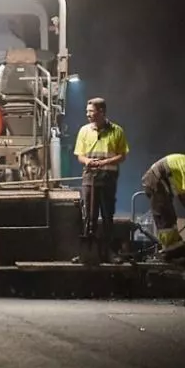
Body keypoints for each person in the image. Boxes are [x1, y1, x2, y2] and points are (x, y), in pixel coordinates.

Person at [72, 97, 130, 262]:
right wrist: (88, 161)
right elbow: (79, 155)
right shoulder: (84, 131)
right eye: (87, 111)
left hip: (108, 179)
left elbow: (122, 155)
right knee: (89, 216)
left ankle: (109, 252)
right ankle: (87, 252)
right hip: (89, 178)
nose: (88, 114)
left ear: (101, 112)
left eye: (91, 111)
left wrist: (104, 162)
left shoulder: (117, 131)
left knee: (107, 216)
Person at [141, 154, 185, 262]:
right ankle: (171, 251)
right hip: (154, 179)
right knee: (165, 218)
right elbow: (184, 197)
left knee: (169, 216)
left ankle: (174, 248)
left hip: (161, 181)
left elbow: (182, 195)